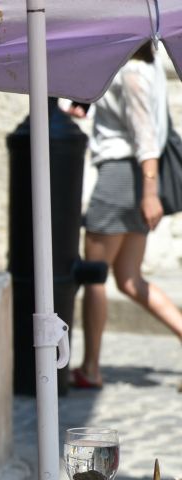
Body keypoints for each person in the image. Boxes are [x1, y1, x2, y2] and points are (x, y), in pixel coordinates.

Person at [73, 41, 182, 389]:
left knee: (95, 275)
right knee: (130, 279)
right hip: (134, 179)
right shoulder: (148, 66)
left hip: (122, 177)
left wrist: (150, 194)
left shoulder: (131, 70)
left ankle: (90, 368)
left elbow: (145, 136)